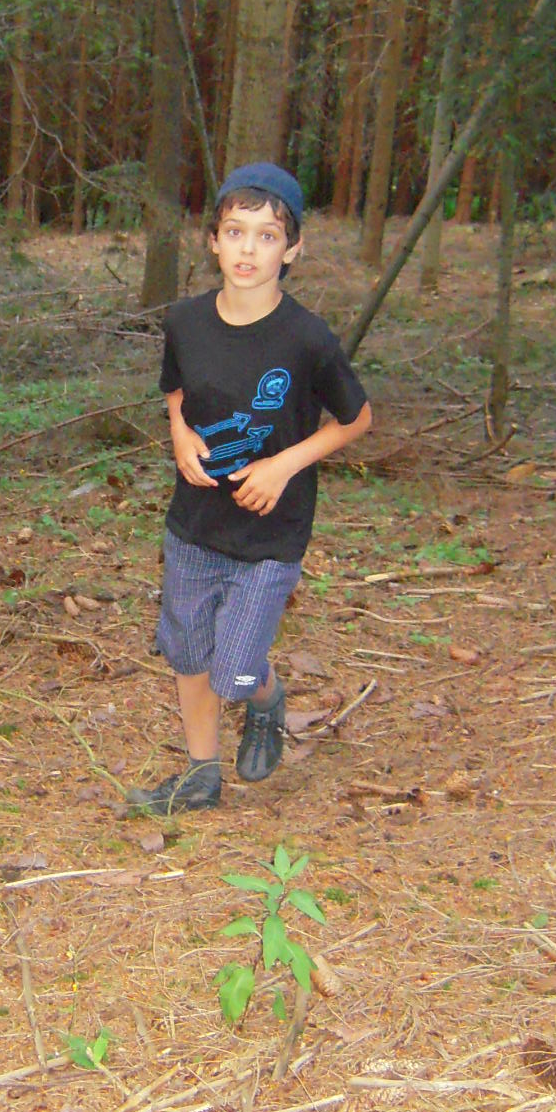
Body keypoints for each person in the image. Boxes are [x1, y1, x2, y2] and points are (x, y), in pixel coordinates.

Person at [129, 164, 372, 816]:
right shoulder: (186, 322)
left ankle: (265, 698)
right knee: (186, 650)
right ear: (213, 240)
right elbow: (175, 389)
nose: (248, 249)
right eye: (235, 231)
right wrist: (179, 431)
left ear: (292, 250)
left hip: (270, 531)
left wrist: (283, 465)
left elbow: (357, 418)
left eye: (267, 236)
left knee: (232, 671)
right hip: (195, 522)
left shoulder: (306, 338)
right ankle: (200, 775)